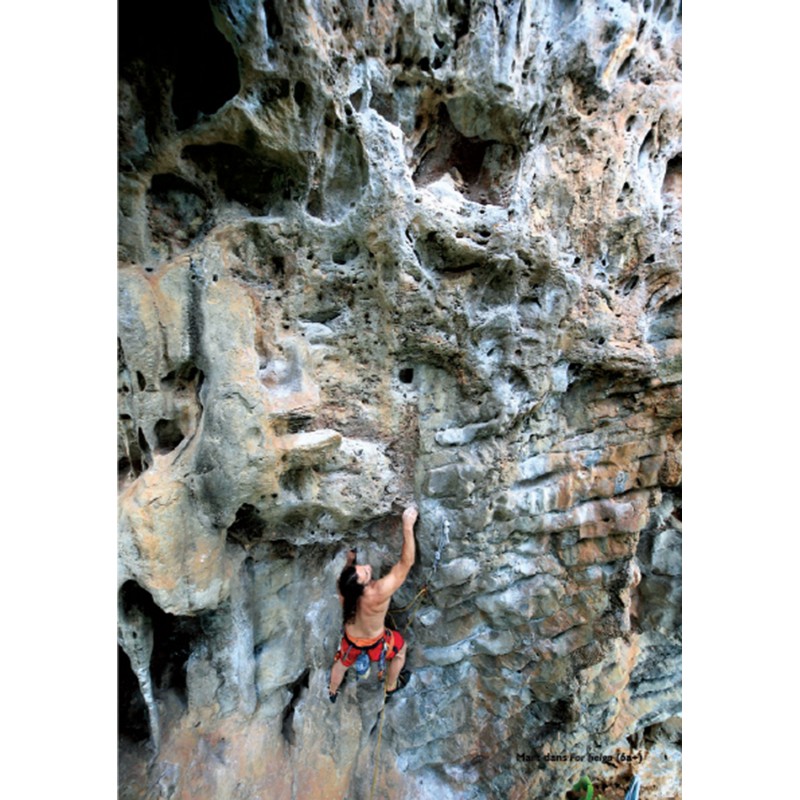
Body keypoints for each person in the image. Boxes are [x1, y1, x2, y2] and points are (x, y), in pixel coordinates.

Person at [328, 505, 418, 703]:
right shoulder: (378, 593)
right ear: (363, 587)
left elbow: (346, 577)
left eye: (363, 567)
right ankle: (391, 686)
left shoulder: (345, 590)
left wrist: (350, 561)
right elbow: (406, 563)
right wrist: (407, 526)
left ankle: (332, 691)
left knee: (341, 663)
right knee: (401, 651)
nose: (367, 567)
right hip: (376, 642)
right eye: (366, 572)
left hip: (351, 641)